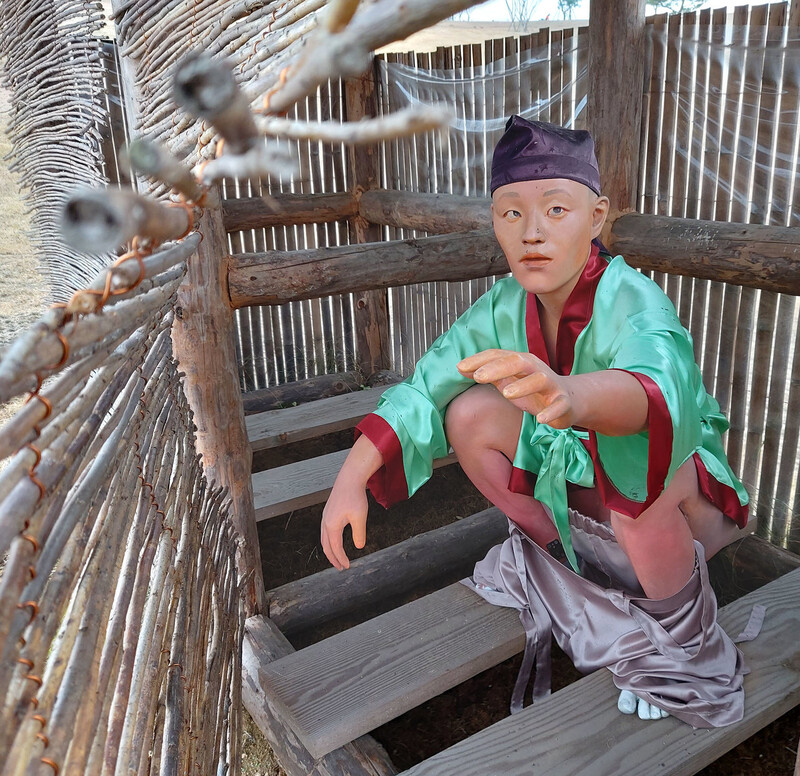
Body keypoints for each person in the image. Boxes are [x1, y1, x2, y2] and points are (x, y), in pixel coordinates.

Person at [321, 115, 753, 724]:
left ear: (596, 218)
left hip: (675, 507)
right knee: (469, 411)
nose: (532, 234)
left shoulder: (634, 298)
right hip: (583, 494)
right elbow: (428, 383)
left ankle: (676, 646)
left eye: (555, 210)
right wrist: (350, 477)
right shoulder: (502, 306)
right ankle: (571, 567)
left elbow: (659, 387)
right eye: (512, 213)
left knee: (637, 471)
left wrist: (574, 397)